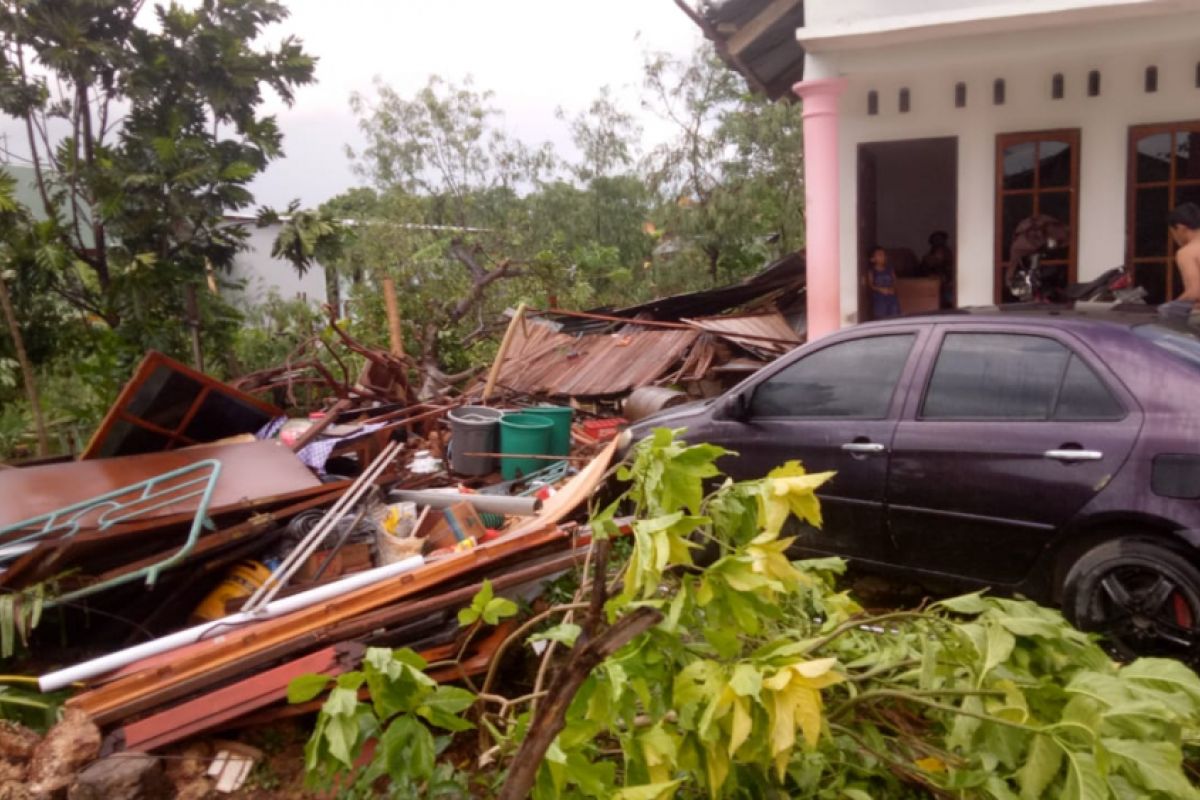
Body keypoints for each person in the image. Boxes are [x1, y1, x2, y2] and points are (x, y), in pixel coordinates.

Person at [1160, 202, 1200, 323]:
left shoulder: (1186, 252)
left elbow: (1195, 291)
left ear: (1181, 228)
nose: (1174, 238)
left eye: (1173, 233)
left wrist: (1170, 307)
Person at [921, 230, 955, 308]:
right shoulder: (927, 258)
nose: (938, 242)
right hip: (932, 288)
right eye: (936, 240)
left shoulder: (948, 254)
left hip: (947, 288)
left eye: (940, 240)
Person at [868, 246, 901, 319]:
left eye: (884, 255)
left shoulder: (890, 269)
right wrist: (880, 289)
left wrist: (893, 288)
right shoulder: (872, 271)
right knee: (881, 318)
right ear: (872, 259)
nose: (883, 257)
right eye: (880, 255)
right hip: (879, 299)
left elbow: (895, 281)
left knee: (895, 317)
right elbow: (870, 285)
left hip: (892, 298)